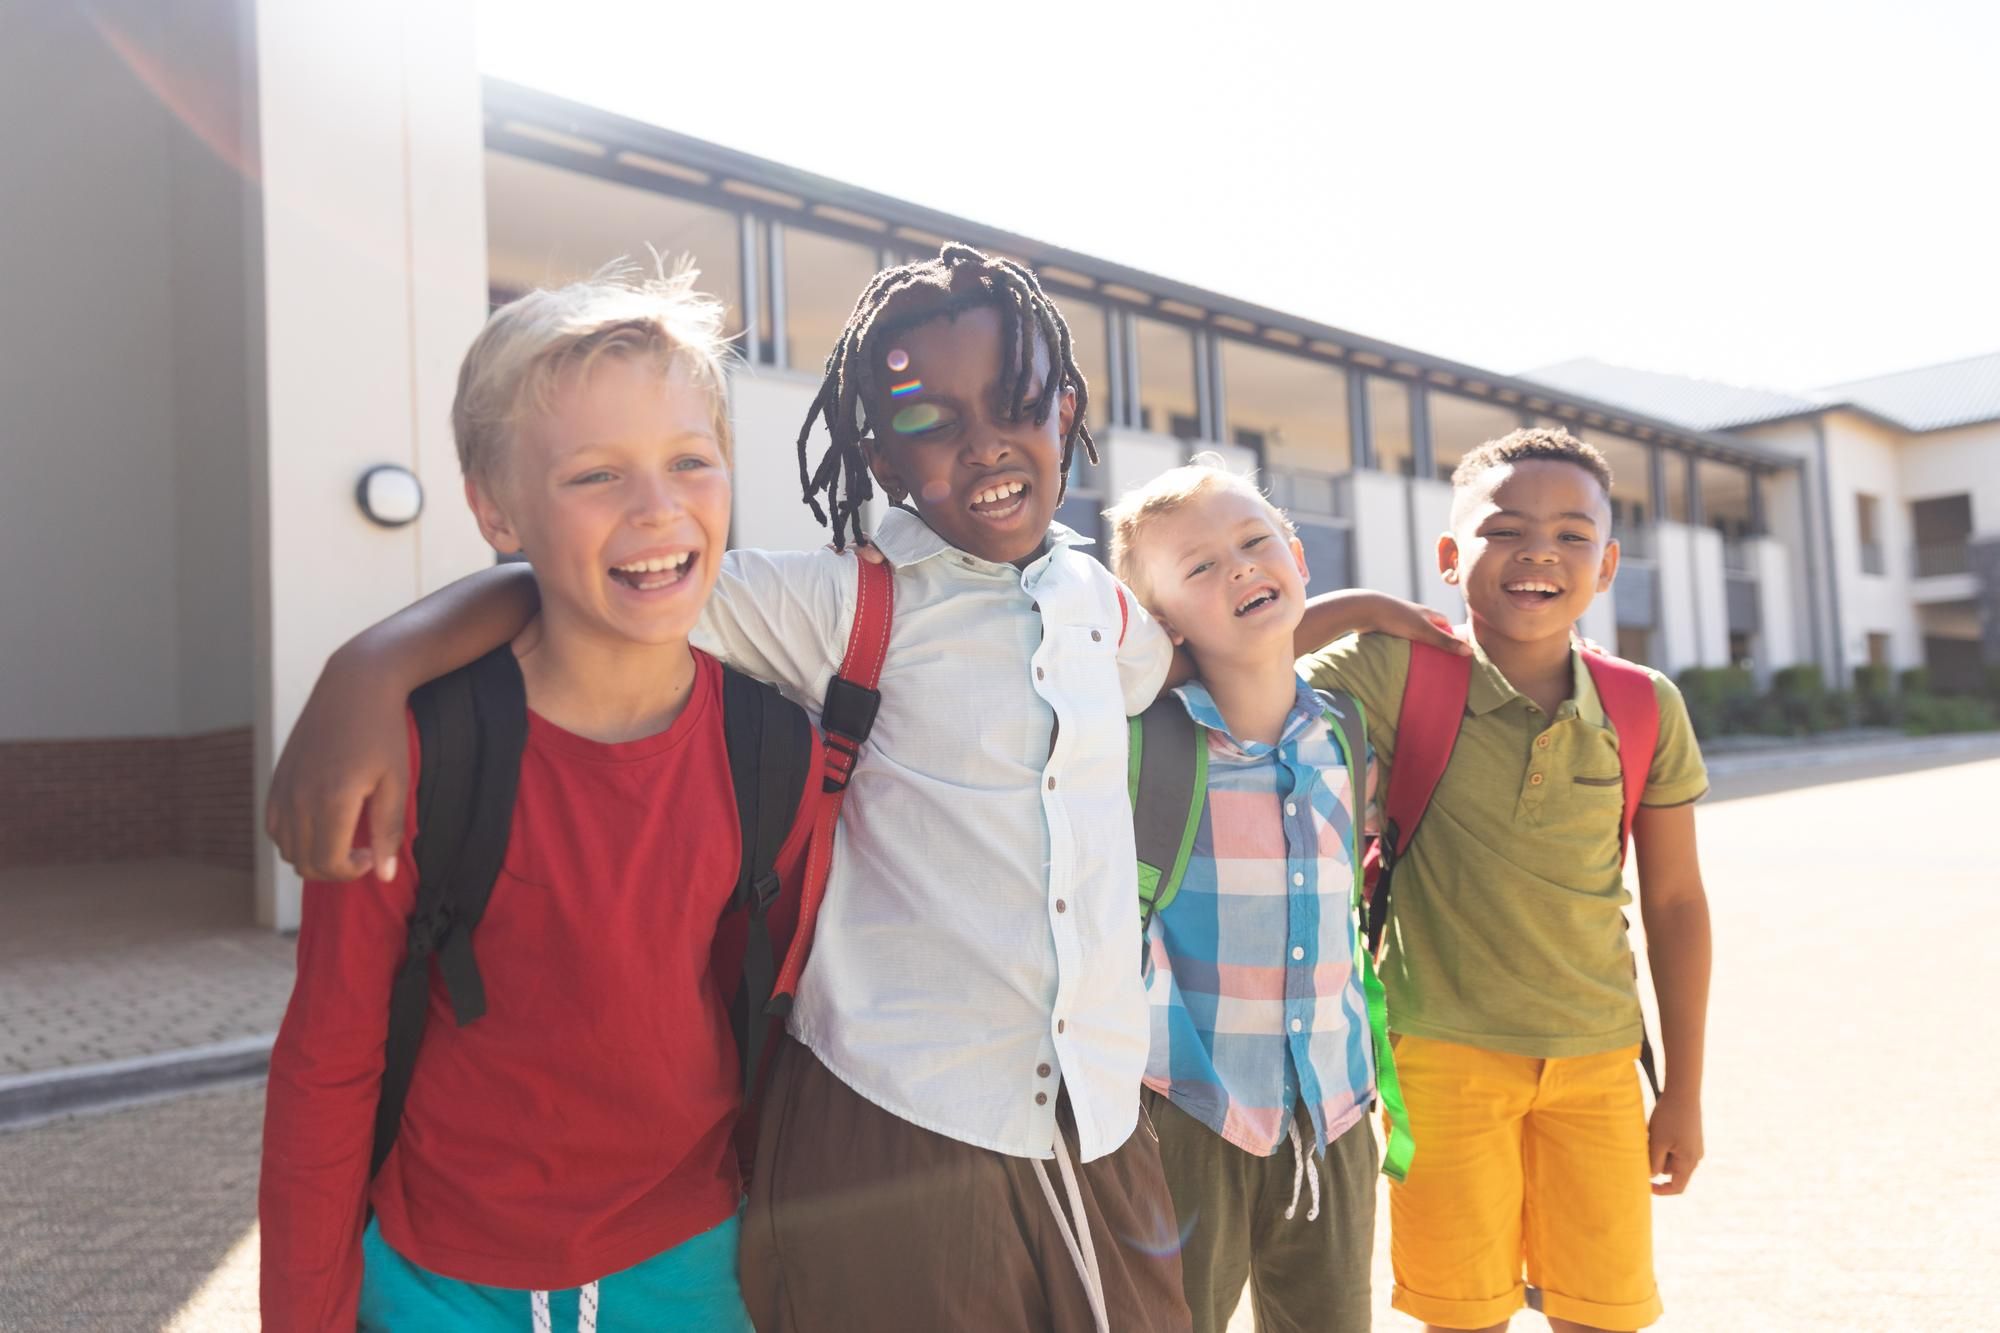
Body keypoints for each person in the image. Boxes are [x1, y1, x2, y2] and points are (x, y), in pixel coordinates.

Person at [263, 244, 1463, 1331]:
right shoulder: (842, 603)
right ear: (875, 454)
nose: (984, 442)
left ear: (1068, 408)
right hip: (899, 1121)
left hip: (1100, 1121)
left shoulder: (1103, 610)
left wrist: (1345, 612)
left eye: (1014, 404)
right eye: (927, 421)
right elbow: (611, 582)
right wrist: (371, 667)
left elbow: (1214, 642)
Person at [259, 268, 823, 1331]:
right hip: (437, 1278)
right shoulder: (419, 755)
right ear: (492, 508)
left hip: (694, 1262)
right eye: (595, 475)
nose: (657, 508)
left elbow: (785, 1026)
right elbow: (327, 1067)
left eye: (689, 462)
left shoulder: (773, 748)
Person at [1301, 428, 1713, 1333]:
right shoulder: (1391, 668)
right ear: (1451, 557)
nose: (1538, 552)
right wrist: (1360, 604)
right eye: (1504, 530)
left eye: (1572, 535)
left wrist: (1682, 1086)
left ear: (1606, 566)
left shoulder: (1644, 704)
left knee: (1602, 1313)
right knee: (1461, 1316)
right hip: (1438, 1055)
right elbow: (1240, 657)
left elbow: (1677, 904)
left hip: (1600, 1062)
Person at [1104, 457, 1396, 1333]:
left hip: (1335, 1111)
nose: (1236, 567)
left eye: (1253, 541)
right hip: (1188, 1112)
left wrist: (1379, 605)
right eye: (1198, 567)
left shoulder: (1346, 732)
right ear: (1159, 624)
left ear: (1298, 557)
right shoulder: (1137, 747)